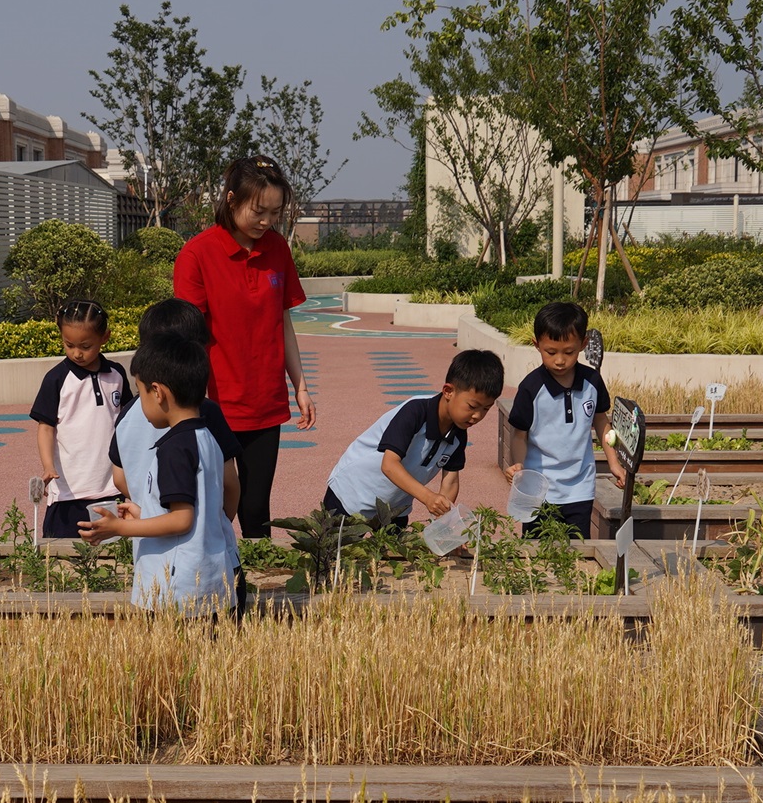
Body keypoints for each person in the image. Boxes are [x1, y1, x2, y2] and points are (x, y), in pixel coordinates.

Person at [173, 155, 313, 538]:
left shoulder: (277, 249)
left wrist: (299, 386)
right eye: (258, 211)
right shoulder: (197, 255)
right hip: (214, 404)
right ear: (231, 200)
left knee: (256, 509)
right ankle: (206, 586)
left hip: (266, 402)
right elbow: (189, 337)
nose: (267, 222)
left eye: (275, 212)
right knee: (214, 505)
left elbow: (282, 323)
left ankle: (256, 590)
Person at [81, 332, 239, 614]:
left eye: (140, 392)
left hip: (177, 588)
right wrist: (146, 514)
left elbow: (181, 520)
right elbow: (198, 509)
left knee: (174, 656)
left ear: (158, 392)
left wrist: (120, 528)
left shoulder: (173, 448)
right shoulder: (205, 437)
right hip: (207, 577)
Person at [322, 349, 503, 527]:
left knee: (395, 554)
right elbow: (389, 465)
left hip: (394, 506)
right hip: (351, 496)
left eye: (486, 409)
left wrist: (447, 524)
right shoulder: (415, 412)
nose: (477, 416)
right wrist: (427, 497)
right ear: (448, 391)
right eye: (472, 406)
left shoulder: (458, 434)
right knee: (338, 553)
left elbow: (450, 480)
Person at [503, 302, 625, 538]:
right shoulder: (531, 388)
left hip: (580, 487)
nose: (560, 360)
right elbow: (519, 434)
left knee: (577, 550)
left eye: (568, 352)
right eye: (551, 352)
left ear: (583, 344)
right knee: (536, 550)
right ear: (536, 345)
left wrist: (614, 462)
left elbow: (602, 422)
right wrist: (519, 468)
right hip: (538, 488)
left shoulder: (592, 382)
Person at [108, 299, 242, 507]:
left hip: (147, 530)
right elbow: (229, 483)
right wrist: (221, 522)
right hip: (200, 535)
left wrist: (149, 509)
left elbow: (119, 477)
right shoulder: (204, 411)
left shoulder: (128, 413)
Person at [30, 299, 128, 539]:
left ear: (105, 337)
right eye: (69, 344)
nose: (77, 353)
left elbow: (126, 422)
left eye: (85, 345)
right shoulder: (56, 379)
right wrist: (47, 466)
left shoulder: (117, 374)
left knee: (110, 556)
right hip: (68, 491)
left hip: (110, 487)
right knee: (62, 560)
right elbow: (45, 428)